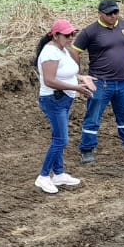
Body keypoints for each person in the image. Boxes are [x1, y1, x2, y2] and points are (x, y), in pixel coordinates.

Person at [73, 0, 124, 164]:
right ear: (100, 14)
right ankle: (87, 149)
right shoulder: (90, 32)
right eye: (109, 14)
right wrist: (78, 74)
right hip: (100, 82)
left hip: (123, 81)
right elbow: (75, 51)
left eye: (116, 12)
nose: (113, 16)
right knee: (93, 116)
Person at [34, 19, 94, 194]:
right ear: (56, 35)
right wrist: (76, 88)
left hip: (63, 99)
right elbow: (50, 80)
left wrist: (81, 78)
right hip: (54, 100)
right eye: (67, 35)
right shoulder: (50, 53)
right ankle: (44, 176)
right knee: (61, 140)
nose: (71, 38)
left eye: (72, 34)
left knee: (58, 137)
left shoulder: (62, 50)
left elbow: (65, 73)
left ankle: (58, 173)